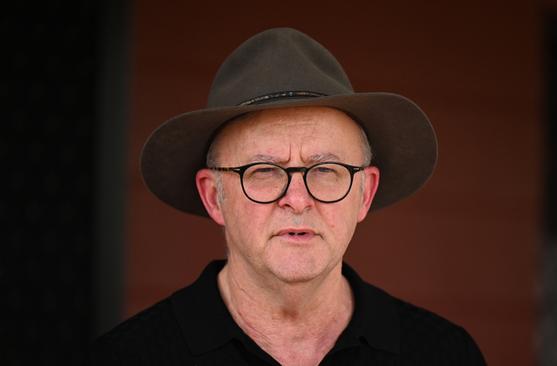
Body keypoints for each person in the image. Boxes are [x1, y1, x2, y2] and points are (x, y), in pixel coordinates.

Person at [92, 27, 486, 365]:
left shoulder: (443, 354)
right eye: (263, 171)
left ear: (365, 193)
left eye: (326, 171)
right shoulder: (129, 357)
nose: (297, 199)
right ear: (214, 197)